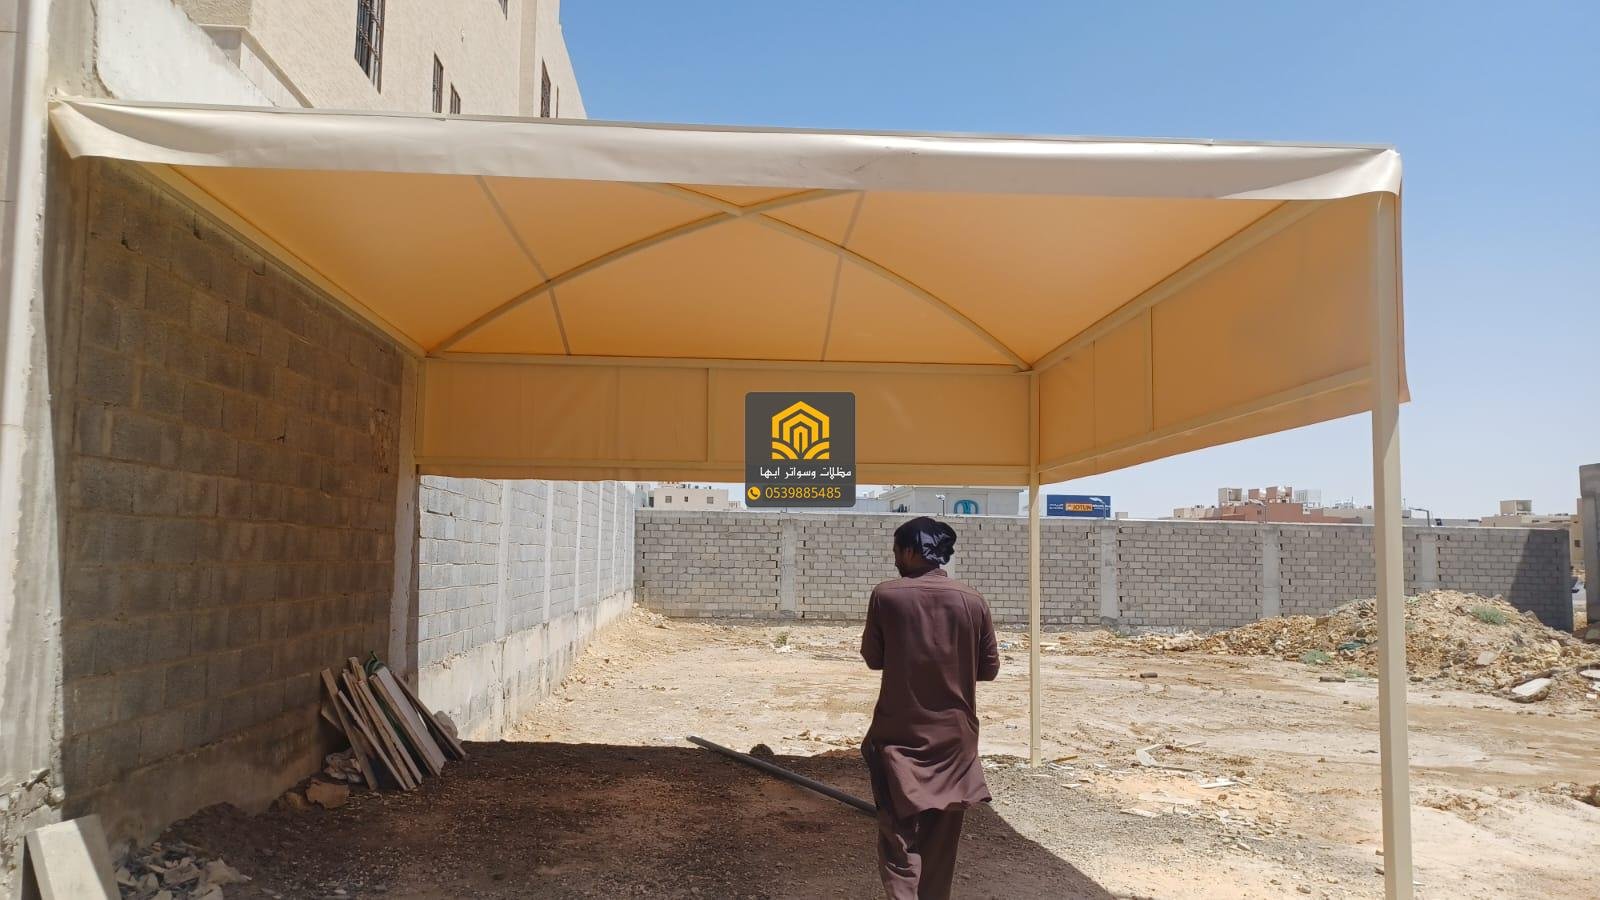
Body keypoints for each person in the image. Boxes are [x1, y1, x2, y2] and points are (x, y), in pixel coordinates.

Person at [860, 516, 1000, 899]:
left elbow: (873, 658)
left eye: (896, 551)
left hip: (899, 738)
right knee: (940, 844)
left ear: (910, 551)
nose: (894, 558)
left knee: (898, 839)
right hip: (955, 743)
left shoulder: (887, 596)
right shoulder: (973, 600)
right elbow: (989, 670)